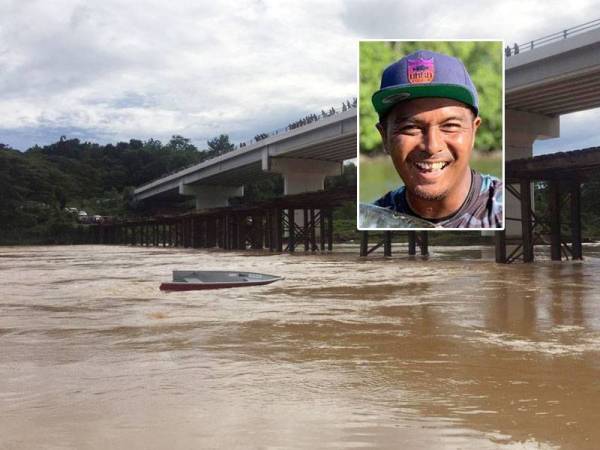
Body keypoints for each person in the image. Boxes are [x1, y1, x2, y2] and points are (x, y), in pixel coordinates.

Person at [369, 50, 502, 228]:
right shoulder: (372, 219)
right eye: (411, 127)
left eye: (450, 126)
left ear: (473, 131)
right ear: (384, 137)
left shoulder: (505, 210)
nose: (432, 146)